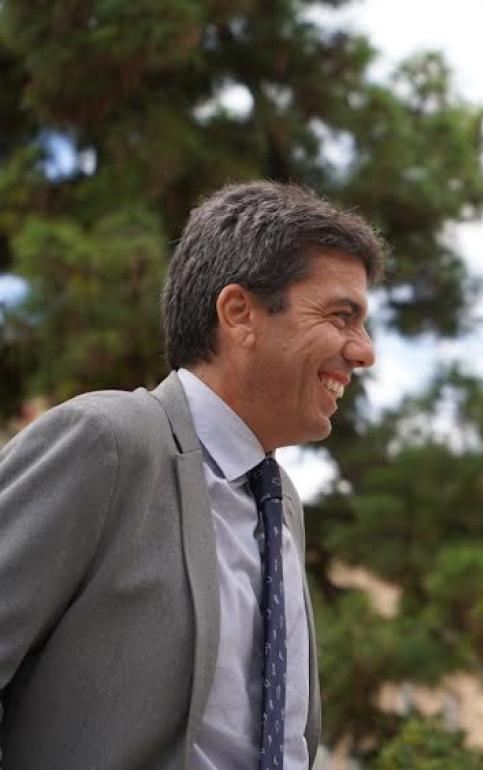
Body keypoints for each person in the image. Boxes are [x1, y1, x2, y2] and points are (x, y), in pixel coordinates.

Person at [0, 181, 383, 770]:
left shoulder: (280, 504)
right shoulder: (108, 440)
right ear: (239, 314)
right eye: (340, 316)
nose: (364, 352)